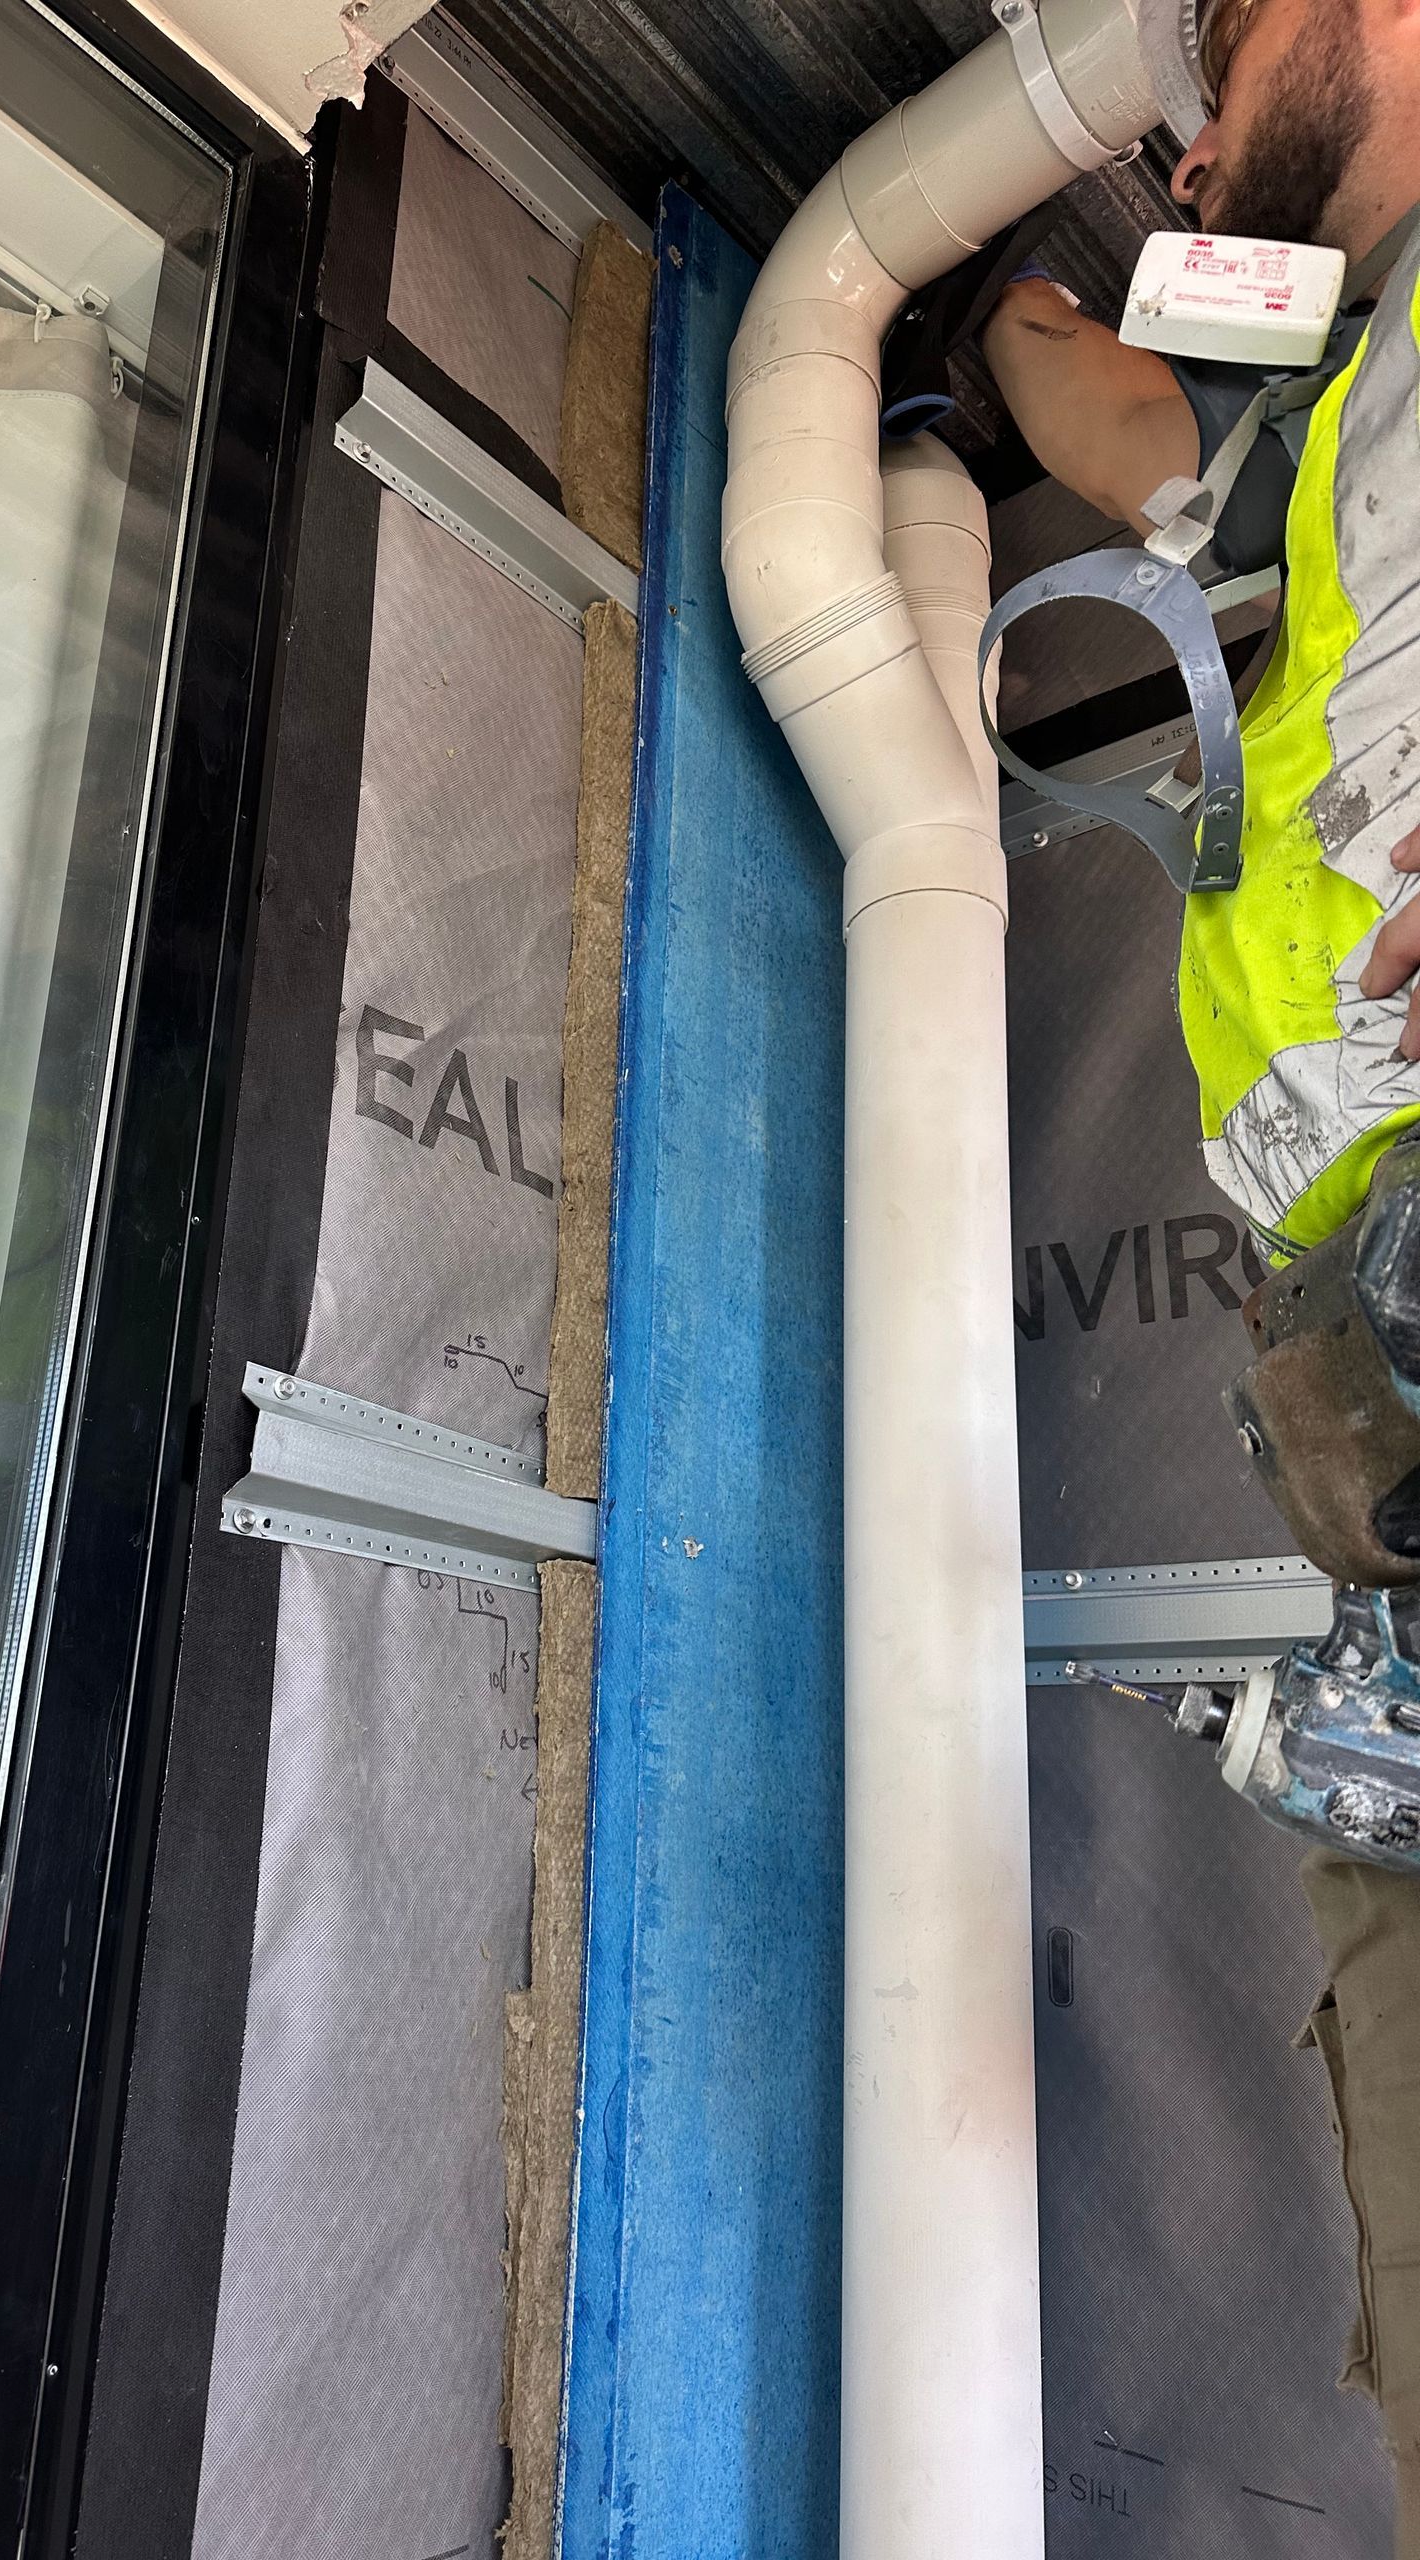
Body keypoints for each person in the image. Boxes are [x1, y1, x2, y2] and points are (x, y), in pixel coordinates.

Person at [983, 0, 1420, 2537]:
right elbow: (1068, 368)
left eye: (1222, 47)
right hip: (1364, 1344)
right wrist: (1070, 329)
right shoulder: (1328, 422)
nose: (1178, 139)